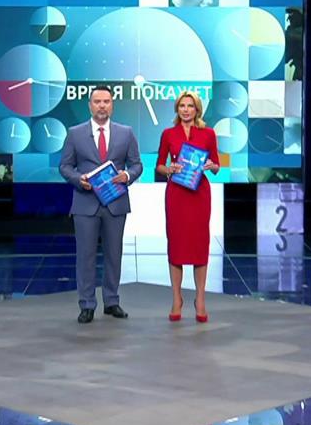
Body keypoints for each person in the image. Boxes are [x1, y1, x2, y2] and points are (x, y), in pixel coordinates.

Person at [58, 85, 143, 323]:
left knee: (114, 255)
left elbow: (137, 165)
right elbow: (65, 166)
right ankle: (87, 304)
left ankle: (111, 301)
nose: (102, 106)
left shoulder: (126, 133)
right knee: (85, 256)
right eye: (97, 102)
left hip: (115, 203)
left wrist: (127, 175)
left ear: (112, 105)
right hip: (85, 204)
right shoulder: (75, 133)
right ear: (90, 105)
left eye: (106, 101)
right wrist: (79, 179)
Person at [155, 91, 220, 323]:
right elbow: (159, 166)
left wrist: (211, 165)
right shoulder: (168, 133)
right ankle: (177, 298)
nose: (185, 110)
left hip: (199, 194)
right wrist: (169, 169)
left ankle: (200, 299)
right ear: (177, 109)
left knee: (199, 245)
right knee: (177, 245)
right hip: (177, 194)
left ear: (197, 109)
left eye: (190, 106)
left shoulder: (208, 133)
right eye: (182, 105)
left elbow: (217, 166)